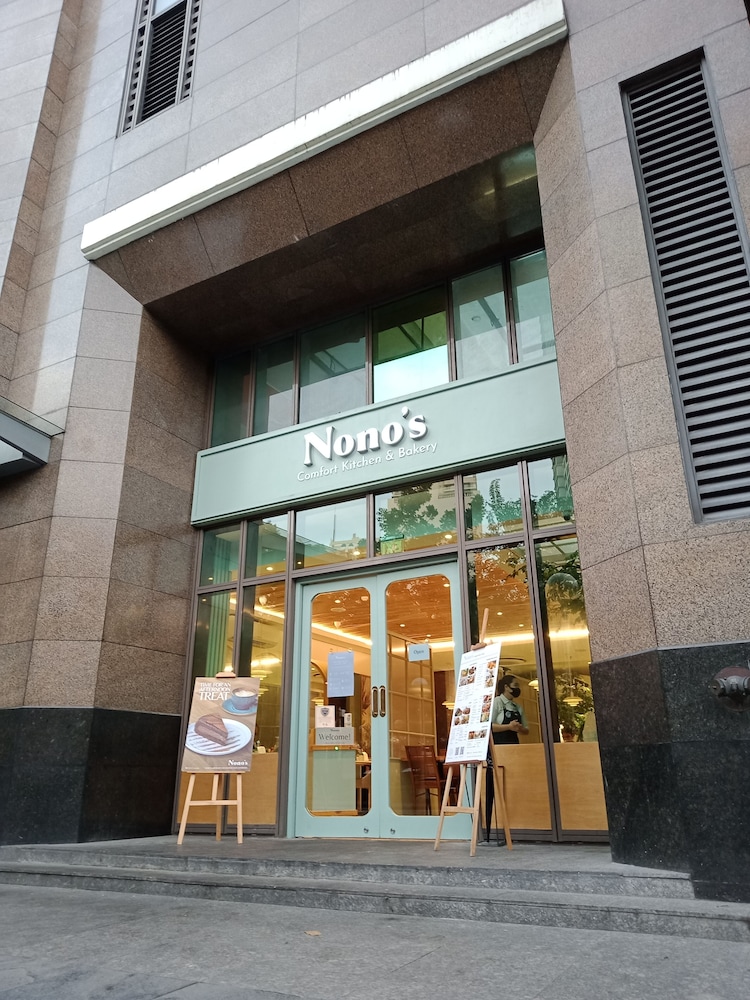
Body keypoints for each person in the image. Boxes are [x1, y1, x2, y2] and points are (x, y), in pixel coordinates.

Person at [485, 673, 529, 843]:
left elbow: (526, 730)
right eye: (515, 685)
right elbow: (489, 726)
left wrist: (518, 728)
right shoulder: (496, 703)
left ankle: (516, 821)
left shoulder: (517, 707)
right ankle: (495, 826)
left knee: (514, 783)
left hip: (514, 749)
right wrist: (508, 727)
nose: (517, 689)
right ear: (506, 687)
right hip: (498, 748)